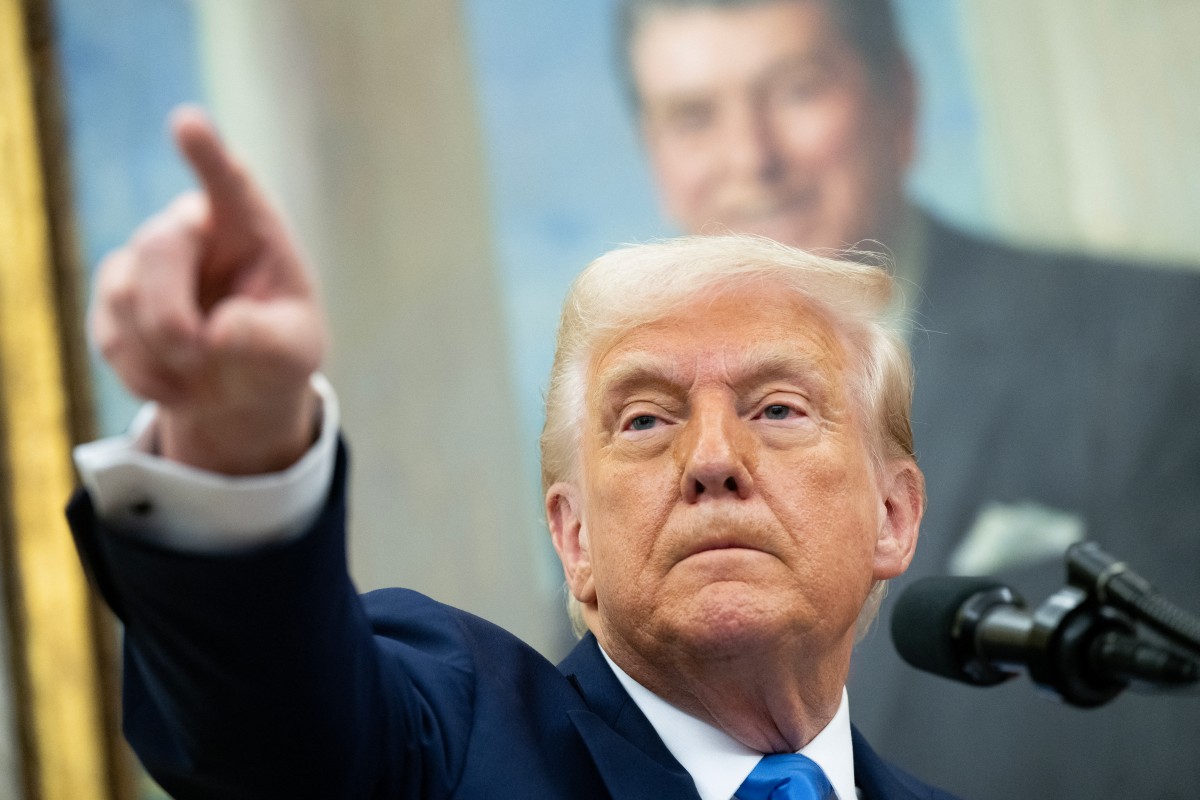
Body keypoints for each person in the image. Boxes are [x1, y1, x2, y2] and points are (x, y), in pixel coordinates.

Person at [67, 108, 958, 799]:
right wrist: (238, 445)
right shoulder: (450, 746)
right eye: (645, 421)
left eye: (777, 408)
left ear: (893, 516)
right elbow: (274, 726)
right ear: (573, 541)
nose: (712, 458)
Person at [617, 1, 1200, 798]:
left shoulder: (1158, 344)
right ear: (654, 156)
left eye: (797, 90)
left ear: (900, 97)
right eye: (694, 117)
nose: (751, 158)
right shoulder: (623, 445)